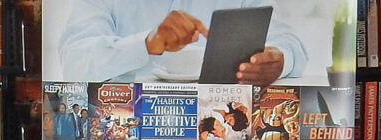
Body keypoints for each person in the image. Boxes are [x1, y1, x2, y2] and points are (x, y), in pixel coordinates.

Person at [59, 0, 307, 83]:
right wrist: (147, 43)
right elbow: (74, 62)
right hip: (126, 139)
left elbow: (292, 46)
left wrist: (279, 61)